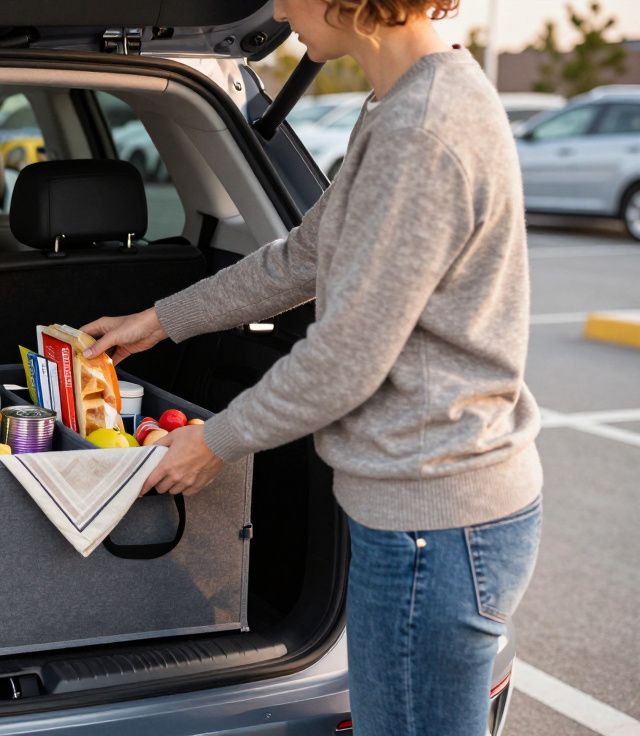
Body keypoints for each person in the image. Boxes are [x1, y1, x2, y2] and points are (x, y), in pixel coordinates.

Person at [81, 1, 542, 733]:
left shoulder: (422, 129)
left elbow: (347, 357)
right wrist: (159, 322)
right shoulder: (398, 106)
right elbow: (302, 258)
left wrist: (214, 443)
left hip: (436, 526)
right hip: (430, 515)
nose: (281, 8)